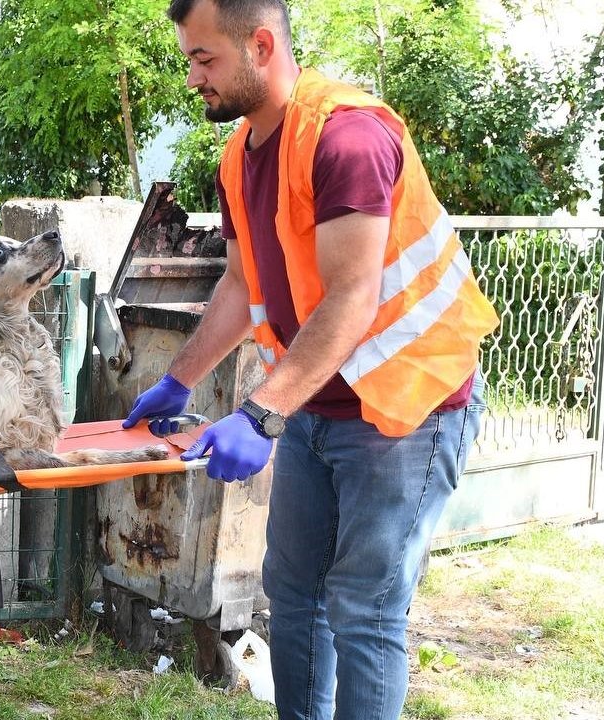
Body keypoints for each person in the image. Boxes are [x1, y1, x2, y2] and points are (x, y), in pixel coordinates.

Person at [123, 1, 500, 717]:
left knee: (364, 609)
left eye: (205, 59)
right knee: (293, 595)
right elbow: (240, 284)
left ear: (261, 44)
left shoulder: (346, 138)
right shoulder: (239, 157)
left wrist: (260, 416)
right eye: (190, 60)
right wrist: (181, 377)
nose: (193, 76)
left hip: (407, 407)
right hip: (315, 406)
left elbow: (352, 298)